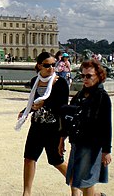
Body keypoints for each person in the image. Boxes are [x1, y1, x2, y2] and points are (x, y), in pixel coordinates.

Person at [17, 52, 70, 196]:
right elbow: (32, 101)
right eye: (47, 65)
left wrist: (44, 103)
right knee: (29, 158)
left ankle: (87, 189)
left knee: (57, 162)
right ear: (39, 65)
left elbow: (63, 107)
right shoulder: (35, 81)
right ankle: (26, 193)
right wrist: (25, 111)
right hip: (37, 125)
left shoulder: (61, 82)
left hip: (53, 128)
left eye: (53, 65)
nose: (51, 68)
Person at [65, 59, 112, 195]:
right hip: (77, 142)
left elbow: (106, 125)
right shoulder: (81, 94)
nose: (85, 79)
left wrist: (106, 150)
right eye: (82, 75)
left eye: (88, 76)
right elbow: (70, 115)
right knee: (76, 177)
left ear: (98, 76)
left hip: (91, 144)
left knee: (85, 181)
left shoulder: (102, 97)